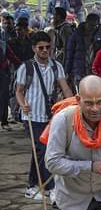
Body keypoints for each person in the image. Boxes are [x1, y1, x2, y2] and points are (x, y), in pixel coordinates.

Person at [45, 75, 101, 210]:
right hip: (72, 199)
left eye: (100, 102)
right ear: (79, 100)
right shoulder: (63, 120)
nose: (95, 109)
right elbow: (52, 162)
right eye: (89, 103)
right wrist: (90, 166)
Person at [15, 31, 73, 200]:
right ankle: (50, 188)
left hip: (49, 116)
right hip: (31, 116)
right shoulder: (26, 67)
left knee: (38, 152)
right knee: (43, 150)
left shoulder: (56, 66)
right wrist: (22, 104)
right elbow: (19, 91)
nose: (45, 50)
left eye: (48, 47)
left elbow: (65, 88)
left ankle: (32, 186)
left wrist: (72, 105)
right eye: (41, 47)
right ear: (34, 48)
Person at [65, 13, 101, 90]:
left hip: (94, 71)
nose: (93, 28)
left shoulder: (100, 36)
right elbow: (69, 55)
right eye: (91, 25)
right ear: (86, 22)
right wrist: (67, 72)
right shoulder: (76, 35)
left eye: (95, 26)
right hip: (79, 70)